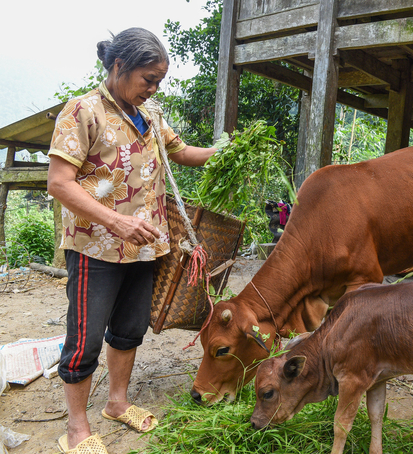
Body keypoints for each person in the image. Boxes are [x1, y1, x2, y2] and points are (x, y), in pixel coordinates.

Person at [47, 27, 216, 453]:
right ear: (119, 66)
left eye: (159, 80)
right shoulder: (82, 111)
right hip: (95, 248)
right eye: (149, 79)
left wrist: (229, 150)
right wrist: (116, 223)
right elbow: (60, 183)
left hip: (147, 245)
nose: (154, 88)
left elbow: (182, 153)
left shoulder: (152, 114)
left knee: (128, 328)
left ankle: (118, 403)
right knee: (84, 336)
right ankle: (77, 426)